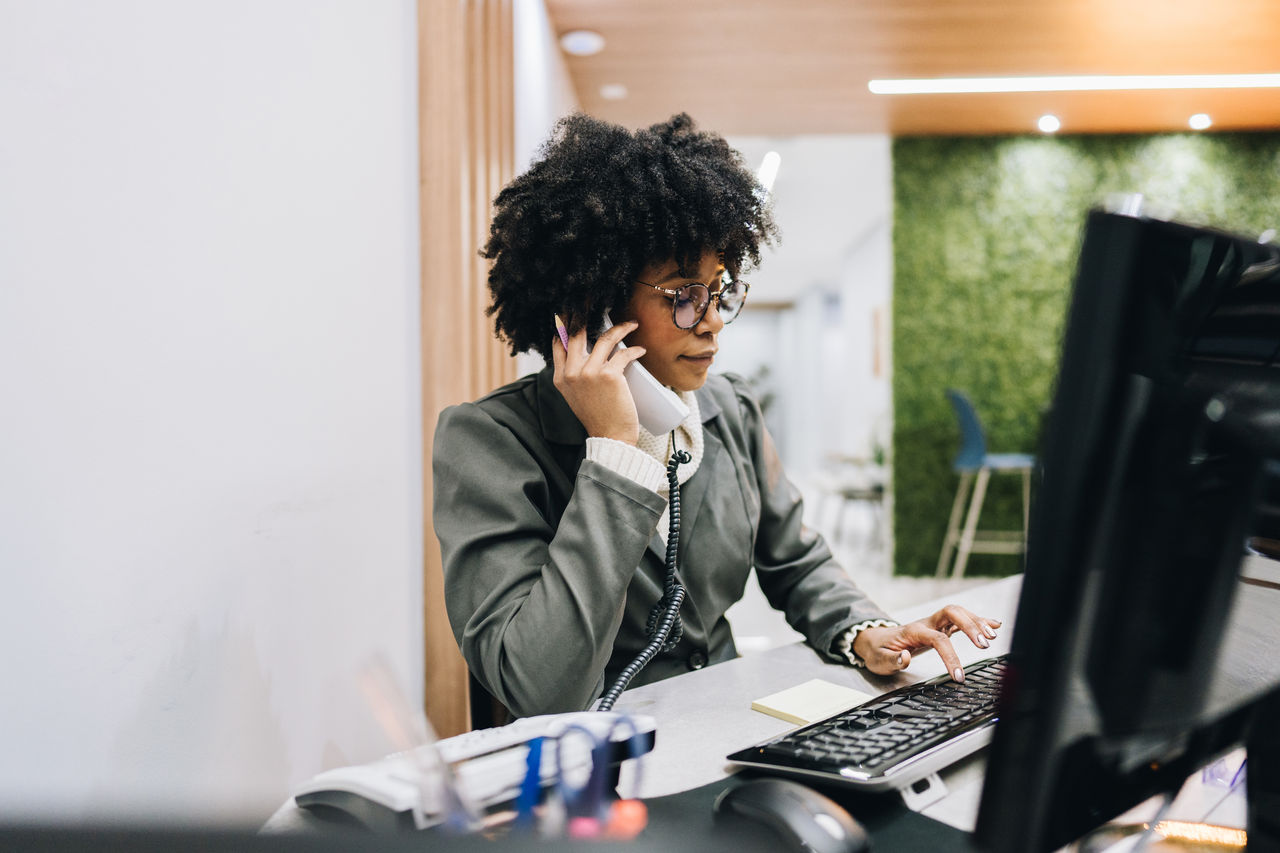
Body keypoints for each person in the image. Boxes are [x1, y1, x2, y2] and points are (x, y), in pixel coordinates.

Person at [433, 112, 1001, 719]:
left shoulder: (728, 408)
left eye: (719, 289)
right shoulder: (489, 441)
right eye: (683, 295)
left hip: (724, 729)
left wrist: (866, 630)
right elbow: (539, 688)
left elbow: (797, 562)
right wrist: (616, 452)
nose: (713, 321)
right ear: (591, 309)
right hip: (591, 771)